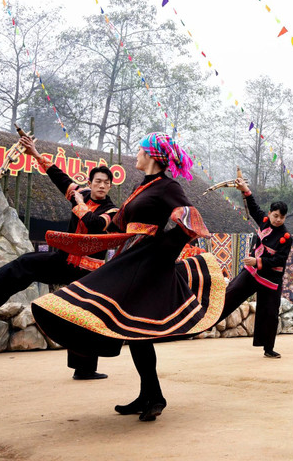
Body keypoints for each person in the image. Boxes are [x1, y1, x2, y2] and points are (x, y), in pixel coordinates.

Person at [31, 133, 225, 421]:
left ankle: (153, 396)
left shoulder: (168, 186)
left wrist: (163, 248)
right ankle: (151, 395)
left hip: (148, 265)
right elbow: (117, 222)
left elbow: (192, 222)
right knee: (136, 332)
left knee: (136, 330)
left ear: (151, 156)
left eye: (140, 149)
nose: (136, 153)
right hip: (131, 259)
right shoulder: (141, 187)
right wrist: (81, 205)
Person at [0, 136, 119, 380]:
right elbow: (58, 176)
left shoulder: (112, 211)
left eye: (106, 183)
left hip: (89, 271)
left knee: (84, 315)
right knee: (27, 262)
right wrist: (35, 152)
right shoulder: (79, 193)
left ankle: (84, 369)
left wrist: (80, 203)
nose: (102, 186)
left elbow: (92, 225)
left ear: (110, 187)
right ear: (90, 182)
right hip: (65, 261)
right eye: (98, 181)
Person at [218, 179, 292, 359]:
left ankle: (268, 348)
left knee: (270, 313)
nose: (278, 220)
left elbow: (279, 260)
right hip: (252, 272)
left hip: (270, 279)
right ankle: (207, 319)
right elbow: (252, 207)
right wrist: (244, 189)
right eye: (275, 215)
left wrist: (257, 261)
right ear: (270, 213)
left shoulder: (286, 237)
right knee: (231, 293)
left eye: (281, 217)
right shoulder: (264, 221)